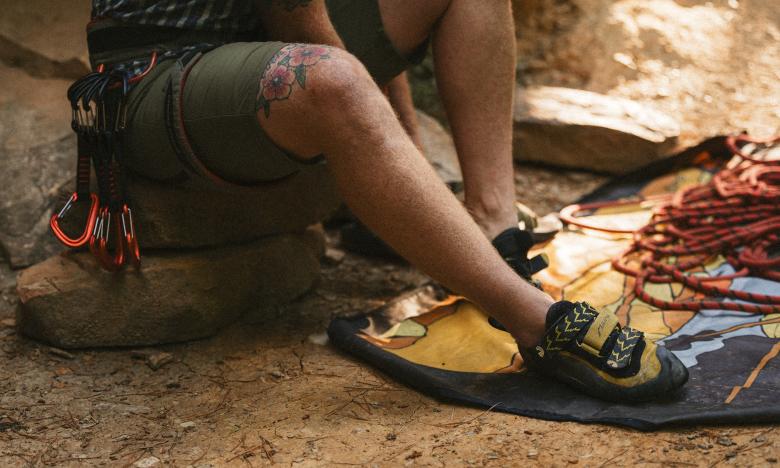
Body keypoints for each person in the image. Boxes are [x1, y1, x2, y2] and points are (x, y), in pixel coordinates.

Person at [85, 0, 688, 401]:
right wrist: (399, 158)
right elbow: (305, 31)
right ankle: (531, 319)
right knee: (331, 78)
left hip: (250, 41)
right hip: (150, 76)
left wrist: (408, 166)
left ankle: (491, 222)